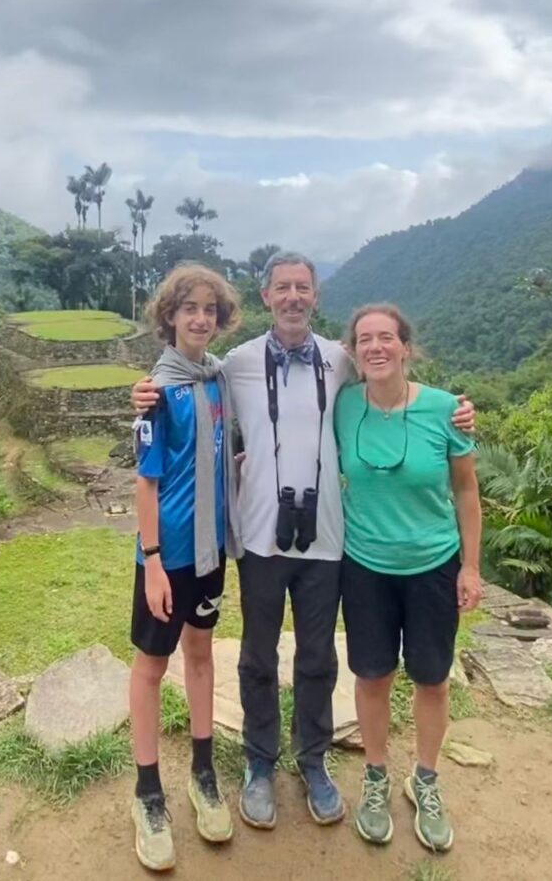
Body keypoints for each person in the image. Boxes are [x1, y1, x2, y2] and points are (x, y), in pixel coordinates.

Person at [132, 253, 476, 831]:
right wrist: (143, 393)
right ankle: (260, 764)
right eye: (282, 288)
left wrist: (458, 412)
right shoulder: (233, 365)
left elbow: (397, 383)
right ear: (265, 296)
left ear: (315, 297)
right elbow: (177, 382)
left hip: (327, 541)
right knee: (257, 656)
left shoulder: (343, 360)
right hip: (261, 538)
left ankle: (313, 762)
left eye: (303, 288)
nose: (293, 296)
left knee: (319, 658)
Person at [336, 304, 482, 853]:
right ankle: (375, 776)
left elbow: (466, 491)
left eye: (386, 338)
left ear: (406, 347)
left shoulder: (446, 410)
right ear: (353, 351)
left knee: (431, 678)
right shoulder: (343, 405)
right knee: (372, 675)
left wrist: (470, 566)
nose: (376, 347)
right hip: (365, 566)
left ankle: (425, 779)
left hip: (433, 566)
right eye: (365, 339)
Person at [127, 262, 243, 872]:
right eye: (189, 308)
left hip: (209, 553)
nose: (200, 318)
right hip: (164, 557)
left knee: (201, 654)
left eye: (210, 310)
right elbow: (145, 486)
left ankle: (203, 772)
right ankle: (148, 792)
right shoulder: (156, 391)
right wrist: (150, 564)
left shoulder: (219, 379)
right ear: (168, 316)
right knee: (150, 667)